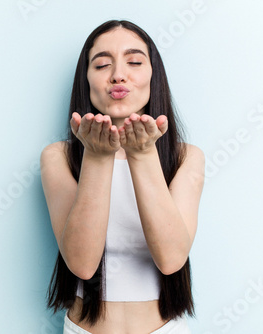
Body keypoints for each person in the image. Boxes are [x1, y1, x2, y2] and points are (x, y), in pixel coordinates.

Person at [40, 19, 205, 334]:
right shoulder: (58, 157)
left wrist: (142, 154)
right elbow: (82, 264)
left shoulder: (187, 157)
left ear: (153, 77)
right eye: (102, 64)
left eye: (134, 62)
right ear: (85, 80)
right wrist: (98, 156)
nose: (118, 74)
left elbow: (171, 260)